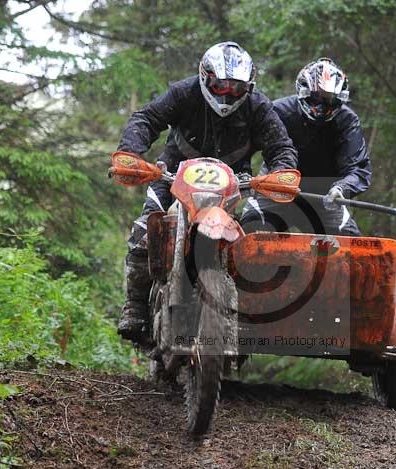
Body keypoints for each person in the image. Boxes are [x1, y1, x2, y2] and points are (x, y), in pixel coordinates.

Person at [115, 41, 298, 342]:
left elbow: (282, 145)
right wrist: (131, 152)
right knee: (145, 231)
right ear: (205, 76)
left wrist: (281, 171)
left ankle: (249, 313)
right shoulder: (184, 93)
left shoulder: (258, 106)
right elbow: (146, 119)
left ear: (248, 87)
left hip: (235, 182)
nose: (227, 93)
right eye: (220, 85)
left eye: (236, 88)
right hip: (172, 174)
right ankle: (135, 305)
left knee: (255, 239)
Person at [241, 58, 370, 237]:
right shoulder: (278, 111)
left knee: (355, 250)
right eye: (316, 98)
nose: (321, 107)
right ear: (303, 92)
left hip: (326, 198)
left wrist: (342, 188)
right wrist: (240, 175)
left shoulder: (347, 121)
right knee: (249, 234)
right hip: (275, 191)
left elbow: (358, 168)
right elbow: (244, 147)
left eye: (329, 101)